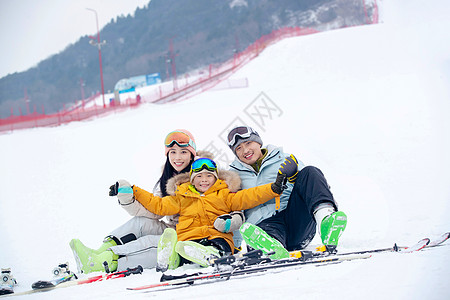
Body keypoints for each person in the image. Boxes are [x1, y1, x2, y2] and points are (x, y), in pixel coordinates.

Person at [69, 129, 244, 273]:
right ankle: (98, 254)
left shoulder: (206, 173)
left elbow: (231, 202)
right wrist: (128, 198)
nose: (178, 157)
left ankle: (105, 261)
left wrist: (233, 242)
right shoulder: (166, 179)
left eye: (184, 152)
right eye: (172, 152)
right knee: (140, 222)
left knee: (151, 243)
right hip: (176, 228)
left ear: (192, 155)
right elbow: (155, 211)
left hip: (199, 234)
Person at [109, 157, 288, 271]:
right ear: (192, 180)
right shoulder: (181, 197)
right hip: (188, 238)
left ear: (216, 178)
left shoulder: (224, 195)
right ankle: (173, 258)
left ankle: (210, 255)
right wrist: (133, 190)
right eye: (199, 177)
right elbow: (158, 205)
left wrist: (273, 189)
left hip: (217, 236)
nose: (204, 180)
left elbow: (250, 196)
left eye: (209, 176)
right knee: (183, 247)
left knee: (217, 246)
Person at [226, 126, 347, 257]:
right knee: (255, 231)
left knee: (310, 171)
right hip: (263, 227)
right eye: (239, 148)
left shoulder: (283, 159)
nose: (245, 150)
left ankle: (326, 221)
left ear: (258, 142)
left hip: (295, 220)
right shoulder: (233, 176)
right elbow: (233, 209)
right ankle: (271, 246)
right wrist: (233, 246)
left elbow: (313, 185)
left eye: (248, 143)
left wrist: (294, 177)